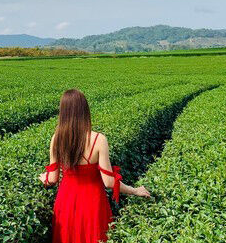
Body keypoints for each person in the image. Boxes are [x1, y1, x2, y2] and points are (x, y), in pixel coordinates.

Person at [38, 89, 151, 243]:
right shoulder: (99, 140)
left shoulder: (56, 139)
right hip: (93, 205)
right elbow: (109, 182)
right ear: (85, 110)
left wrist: (44, 178)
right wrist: (135, 191)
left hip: (66, 203)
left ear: (63, 112)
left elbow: (52, 179)